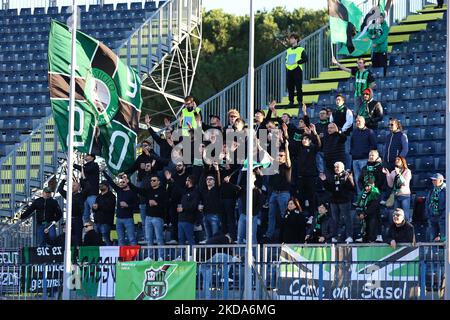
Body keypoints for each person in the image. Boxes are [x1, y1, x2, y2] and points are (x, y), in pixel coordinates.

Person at [129, 174, 168, 250]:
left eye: (154, 180)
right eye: (151, 180)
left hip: (158, 218)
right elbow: (137, 190)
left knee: (159, 238)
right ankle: (150, 257)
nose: (152, 182)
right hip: (148, 217)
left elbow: (166, 204)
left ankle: (161, 257)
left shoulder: (163, 191)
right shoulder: (148, 190)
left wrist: (156, 203)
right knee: (148, 239)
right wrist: (129, 183)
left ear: (159, 182)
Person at [320, 161, 355, 243]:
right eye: (335, 167)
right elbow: (329, 188)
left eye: (338, 167)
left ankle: (349, 236)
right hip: (334, 201)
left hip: (344, 200)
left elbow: (352, 188)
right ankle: (335, 236)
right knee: (335, 219)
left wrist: (349, 180)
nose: (336, 168)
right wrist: (324, 180)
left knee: (347, 218)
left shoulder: (346, 175)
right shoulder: (333, 176)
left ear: (342, 168)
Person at [102, 170, 139, 246]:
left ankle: (135, 257)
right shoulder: (119, 190)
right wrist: (104, 172)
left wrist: (127, 205)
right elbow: (111, 182)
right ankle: (122, 257)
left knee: (131, 238)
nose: (121, 183)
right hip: (118, 218)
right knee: (120, 239)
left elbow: (136, 205)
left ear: (128, 182)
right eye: (120, 182)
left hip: (128, 218)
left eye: (123, 182)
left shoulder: (132, 192)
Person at [265, 143, 292, 241]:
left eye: (281, 156)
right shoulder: (275, 165)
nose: (279, 157)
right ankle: (269, 235)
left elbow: (288, 160)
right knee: (271, 215)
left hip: (284, 193)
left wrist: (286, 147)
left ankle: (285, 234)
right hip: (274, 193)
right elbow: (267, 156)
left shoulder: (287, 166)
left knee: (284, 215)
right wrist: (258, 146)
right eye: (278, 155)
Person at [165, 162, 191, 244]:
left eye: (179, 165)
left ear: (184, 167)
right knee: (174, 221)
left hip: (184, 203)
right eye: (176, 165)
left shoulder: (187, 178)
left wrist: (172, 182)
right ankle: (174, 238)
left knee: (184, 221)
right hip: (173, 202)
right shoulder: (173, 176)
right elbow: (169, 190)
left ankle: (185, 238)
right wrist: (169, 181)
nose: (177, 167)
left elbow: (184, 191)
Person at [350, 116, 377, 194]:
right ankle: (360, 199)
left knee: (366, 180)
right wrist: (353, 153)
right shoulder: (354, 132)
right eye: (356, 121)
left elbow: (374, 146)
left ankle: (367, 199)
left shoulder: (369, 132)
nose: (357, 123)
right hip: (355, 160)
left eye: (359, 121)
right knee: (357, 180)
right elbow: (352, 144)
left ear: (364, 122)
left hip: (365, 160)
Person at [297, 129, 320, 213]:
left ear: (310, 141)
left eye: (306, 139)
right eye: (303, 139)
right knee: (301, 196)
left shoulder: (313, 148)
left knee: (312, 196)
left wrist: (315, 133)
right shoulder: (299, 149)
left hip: (311, 176)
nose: (304, 140)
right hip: (301, 176)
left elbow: (319, 145)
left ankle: (312, 214)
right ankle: (302, 214)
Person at [57, 179, 86, 246]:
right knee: (69, 237)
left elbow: (87, 188)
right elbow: (60, 190)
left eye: (74, 185)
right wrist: (63, 180)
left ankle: (78, 253)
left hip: (78, 219)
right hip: (70, 219)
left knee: (78, 238)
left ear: (78, 187)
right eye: (71, 185)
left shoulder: (81, 195)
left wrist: (83, 179)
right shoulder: (68, 195)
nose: (72, 187)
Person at [383, 156, 412, 221]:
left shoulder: (407, 171)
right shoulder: (393, 172)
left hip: (405, 195)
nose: (396, 160)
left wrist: (398, 173)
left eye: (398, 159)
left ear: (402, 161)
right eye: (396, 159)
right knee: (396, 214)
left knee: (405, 214)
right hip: (396, 195)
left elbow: (404, 183)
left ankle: (407, 228)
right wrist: (387, 174)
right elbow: (390, 185)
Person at [199, 166, 223, 241]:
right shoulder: (204, 190)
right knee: (208, 237)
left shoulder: (217, 189)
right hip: (205, 215)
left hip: (214, 216)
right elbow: (201, 180)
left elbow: (219, 181)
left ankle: (215, 252)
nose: (208, 180)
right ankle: (209, 253)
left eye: (211, 179)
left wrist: (217, 170)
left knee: (214, 237)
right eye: (207, 179)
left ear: (214, 181)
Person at [73, 154, 99, 223]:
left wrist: (74, 165)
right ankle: (87, 230)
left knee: (95, 213)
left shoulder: (94, 165)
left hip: (92, 193)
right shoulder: (85, 167)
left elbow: (86, 170)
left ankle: (96, 231)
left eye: (88, 155)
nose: (85, 156)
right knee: (85, 215)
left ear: (92, 157)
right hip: (85, 195)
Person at [330, 94, 353, 169]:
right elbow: (331, 122)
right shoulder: (333, 112)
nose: (337, 101)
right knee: (337, 153)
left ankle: (348, 169)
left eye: (339, 99)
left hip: (346, 135)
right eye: (336, 100)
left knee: (346, 153)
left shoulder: (347, 110)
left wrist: (341, 130)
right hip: (336, 136)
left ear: (343, 101)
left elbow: (349, 122)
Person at [285, 33, 308, 107]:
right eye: (290, 38)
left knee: (298, 86)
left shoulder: (301, 49)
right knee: (290, 87)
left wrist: (297, 62)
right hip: (289, 70)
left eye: (292, 38)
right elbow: (286, 59)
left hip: (297, 69)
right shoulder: (288, 50)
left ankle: (299, 101)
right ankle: (291, 101)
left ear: (296, 39)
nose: (290, 40)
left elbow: (305, 59)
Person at [177, 175, 200, 246]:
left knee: (190, 238)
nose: (186, 181)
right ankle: (181, 256)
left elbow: (194, 205)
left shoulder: (195, 192)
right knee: (180, 239)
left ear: (191, 181)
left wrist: (183, 208)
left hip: (189, 219)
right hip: (180, 219)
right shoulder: (185, 192)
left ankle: (192, 256)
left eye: (187, 180)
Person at [92, 180, 116, 245]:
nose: (100, 186)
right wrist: (94, 208)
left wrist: (98, 206)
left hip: (106, 222)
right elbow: (95, 208)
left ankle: (110, 253)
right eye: (100, 185)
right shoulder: (98, 196)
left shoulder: (111, 196)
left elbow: (109, 208)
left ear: (107, 186)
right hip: (97, 221)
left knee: (106, 239)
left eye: (102, 185)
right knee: (97, 240)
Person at [425, 173, 446, 242]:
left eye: (435, 180)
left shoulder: (446, 190)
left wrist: (443, 216)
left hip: (443, 218)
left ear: (440, 180)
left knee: (444, 238)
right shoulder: (432, 190)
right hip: (432, 217)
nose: (433, 181)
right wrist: (428, 215)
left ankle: (445, 252)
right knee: (433, 238)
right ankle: (434, 252)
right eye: (432, 180)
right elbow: (427, 203)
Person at [315, 108, 330, 174]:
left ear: (327, 115)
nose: (321, 115)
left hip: (329, 151)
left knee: (329, 171)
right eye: (320, 114)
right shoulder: (316, 126)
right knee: (321, 172)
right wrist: (317, 136)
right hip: (319, 151)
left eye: (323, 113)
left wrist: (325, 135)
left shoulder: (331, 125)